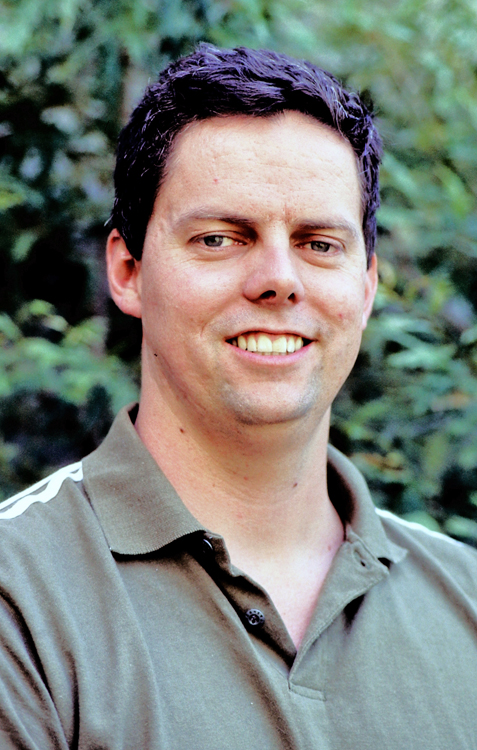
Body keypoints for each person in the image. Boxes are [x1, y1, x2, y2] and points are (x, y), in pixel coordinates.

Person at [0, 45, 476, 750]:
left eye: (319, 244)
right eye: (220, 238)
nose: (278, 279)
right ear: (127, 271)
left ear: (366, 287)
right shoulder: (18, 598)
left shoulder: (466, 598)